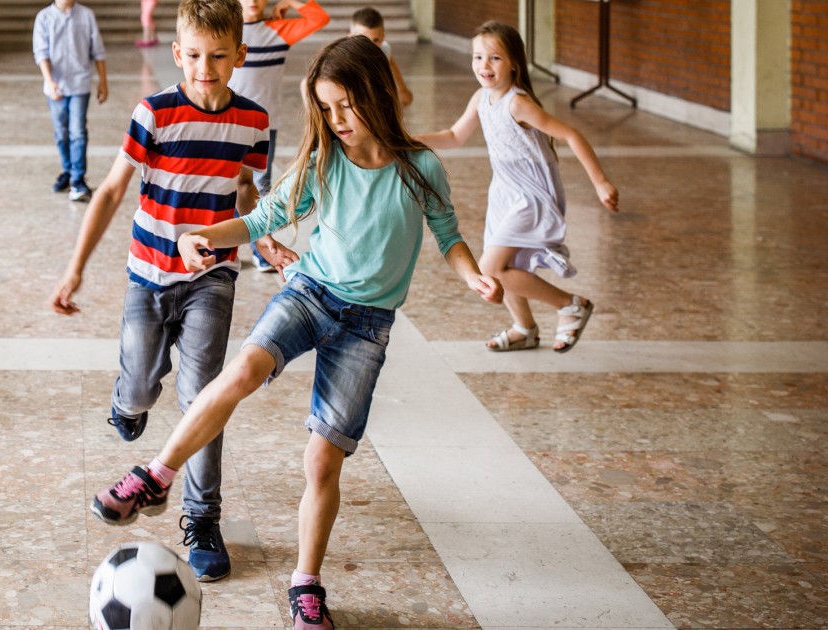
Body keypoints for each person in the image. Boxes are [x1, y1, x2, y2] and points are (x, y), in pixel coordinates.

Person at [91, 35, 502, 629]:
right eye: (326, 109)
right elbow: (260, 219)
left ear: (378, 96)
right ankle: (156, 476)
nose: (335, 121)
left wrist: (473, 276)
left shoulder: (421, 167)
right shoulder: (322, 159)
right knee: (243, 371)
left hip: (367, 325)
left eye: (345, 107)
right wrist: (200, 236)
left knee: (322, 460)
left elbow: (448, 234)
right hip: (309, 293)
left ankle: (306, 586)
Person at [49, 0, 272, 582]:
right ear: (177, 54)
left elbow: (246, 192)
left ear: (239, 56)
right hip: (148, 273)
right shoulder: (154, 114)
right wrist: (75, 269)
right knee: (143, 386)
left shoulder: (253, 121)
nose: (206, 67)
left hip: (213, 276)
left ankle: (203, 518)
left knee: (205, 398)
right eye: (195, 55)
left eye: (220, 56)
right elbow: (111, 192)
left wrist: (258, 231)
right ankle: (128, 401)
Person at [415, 20, 618, 353]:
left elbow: (570, 134)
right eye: (478, 57)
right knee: (509, 264)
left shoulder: (517, 103)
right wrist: (409, 140)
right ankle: (524, 328)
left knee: (491, 269)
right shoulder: (481, 98)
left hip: (532, 194)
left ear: (513, 63)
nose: (484, 66)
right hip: (505, 193)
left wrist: (601, 182)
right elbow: (453, 137)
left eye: (494, 58)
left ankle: (570, 304)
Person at [229, 0, 329, 272]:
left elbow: (318, 18)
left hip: (263, 125)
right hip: (229, 121)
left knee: (259, 187)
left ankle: (261, 249)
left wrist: (289, 2)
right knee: (225, 185)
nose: (253, 2)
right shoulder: (227, 28)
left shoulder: (278, 30)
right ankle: (224, 245)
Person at [33, 0, 108, 202]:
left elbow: (98, 50)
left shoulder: (86, 15)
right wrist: (49, 81)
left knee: (78, 131)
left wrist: (103, 81)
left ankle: (78, 179)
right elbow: (41, 52)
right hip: (56, 86)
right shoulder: (44, 17)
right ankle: (67, 171)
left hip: (80, 84)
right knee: (61, 132)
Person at [349, 8, 412, 108]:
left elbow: (393, 66)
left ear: (383, 36)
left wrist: (403, 89)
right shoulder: (347, 56)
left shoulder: (385, 49)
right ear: (351, 37)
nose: (370, 46)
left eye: (376, 40)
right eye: (364, 39)